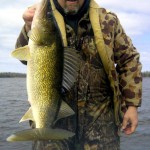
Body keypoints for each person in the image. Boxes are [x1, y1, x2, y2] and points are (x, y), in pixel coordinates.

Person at [15, 0, 142, 149]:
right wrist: (29, 28)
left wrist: (131, 105)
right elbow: (24, 58)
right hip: (54, 126)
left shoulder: (108, 21)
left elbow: (129, 59)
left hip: (101, 128)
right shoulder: (44, 18)